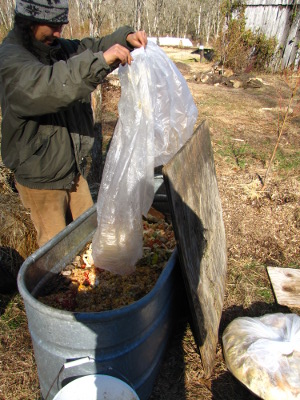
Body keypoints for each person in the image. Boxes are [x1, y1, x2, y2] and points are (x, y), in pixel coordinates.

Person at [0, 0, 147, 247]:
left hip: (71, 170)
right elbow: (49, 86)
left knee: (90, 239)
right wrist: (100, 62)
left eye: (61, 25)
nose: (59, 33)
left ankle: (94, 283)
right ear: (28, 22)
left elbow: (90, 47)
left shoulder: (54, 47)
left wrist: (125, 38)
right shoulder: (11, 58)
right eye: (53, 26)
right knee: (56, 254)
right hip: (41, 176)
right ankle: (52, 286)